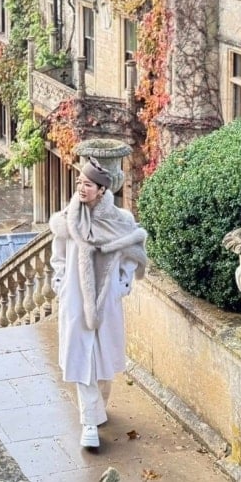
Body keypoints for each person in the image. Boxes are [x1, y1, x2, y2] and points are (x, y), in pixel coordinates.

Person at [49, 156, 148, 450]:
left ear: (103, 189)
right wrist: (61, 283)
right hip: (76, 299)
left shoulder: (122, 221)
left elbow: (132, 256)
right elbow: (58, 256)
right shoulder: (68, 219)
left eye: (88, 184)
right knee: (82, 358)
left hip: (107, 300)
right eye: (79, 182)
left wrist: (121, 285)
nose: (81, 187)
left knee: (104, 362)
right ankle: (89, 422)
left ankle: (97, 409)